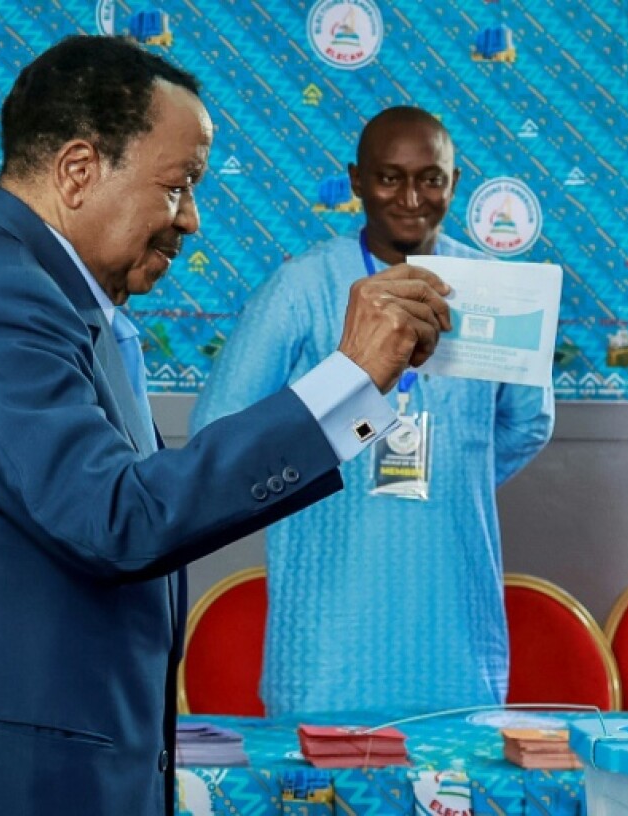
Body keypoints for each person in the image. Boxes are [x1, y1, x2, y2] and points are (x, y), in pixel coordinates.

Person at [0, 37, 452, 816]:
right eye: (179, 186)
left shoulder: (63, 303)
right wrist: (349, 382)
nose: (190, 220)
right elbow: (117, 516)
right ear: (80, 170)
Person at [191, 106, 555, 716]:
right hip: (325, 641)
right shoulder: (302, 287)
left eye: (430, 179)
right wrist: (322, 472)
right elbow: (218, 429)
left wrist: (452, 482)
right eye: (390, 178)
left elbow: (527, 423)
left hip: (457, 635)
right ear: (357, 180)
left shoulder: (497, 290)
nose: (411, 198)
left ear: (455, 183)